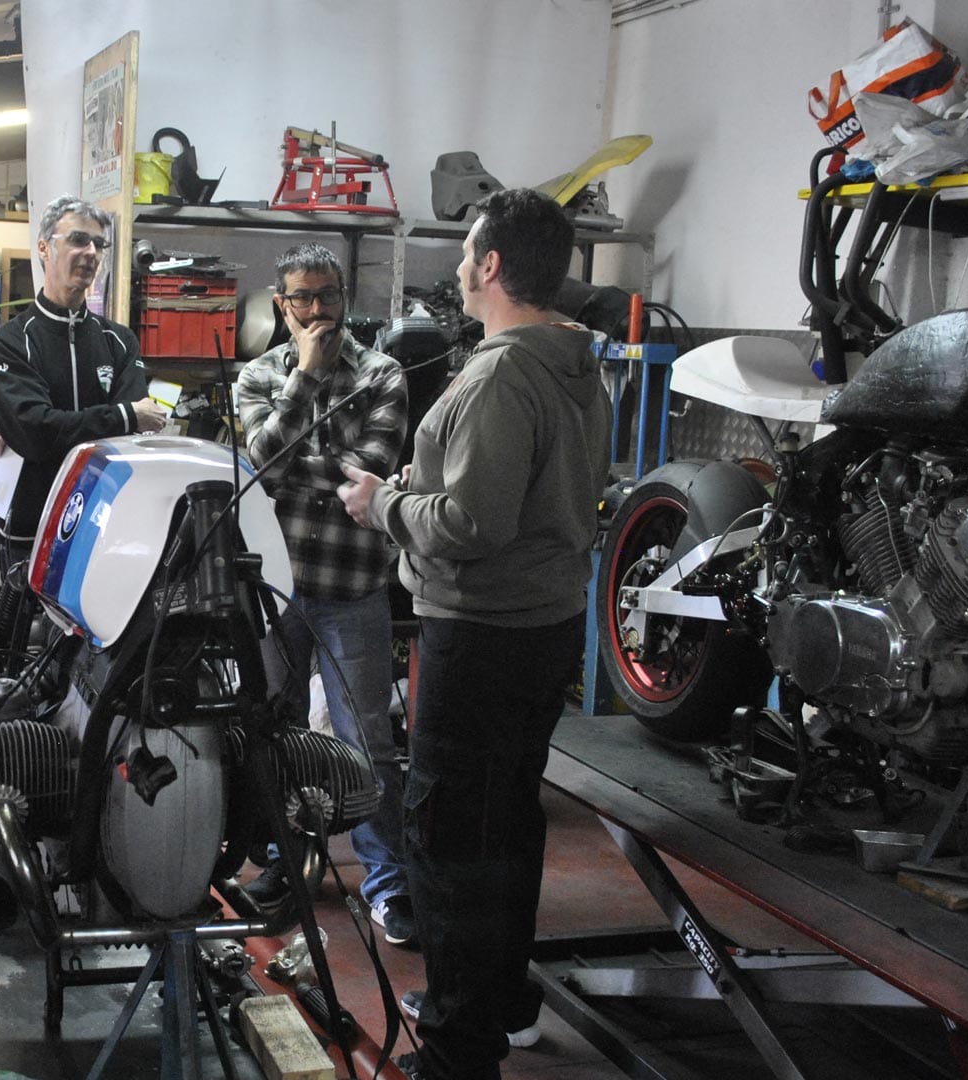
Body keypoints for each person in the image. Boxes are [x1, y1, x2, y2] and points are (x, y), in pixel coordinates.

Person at [337, 188, 612, 1080]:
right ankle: (493, 1004)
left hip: (483, 633)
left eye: (465, 253)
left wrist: (383, 503)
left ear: (491, 266)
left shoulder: (502, 373)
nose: (458, 267)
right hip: (543, 625)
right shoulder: (575, 363)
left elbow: (470, 523)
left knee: (451, 836)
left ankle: (458, 1050)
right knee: (505, 826)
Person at [233, 242, 413, 945]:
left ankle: (387, 880)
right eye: (302, 299)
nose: (317, 312)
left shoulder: (383, 373)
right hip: (273, 588)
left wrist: (293, 460)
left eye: (328, 296)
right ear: (281, 306)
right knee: (271, 735)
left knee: (368, 741)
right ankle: (284, 861)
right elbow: (257, 462)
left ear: (345, 296)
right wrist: (305, 379)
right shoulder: (259, 374)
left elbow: (368, 476)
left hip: (351, 586)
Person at [0, 194, 169, 580]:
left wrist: (115, 420)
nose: (91, 253)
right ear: (44, 247)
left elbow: (132, 436)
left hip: (106, 525)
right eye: (79, 240)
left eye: (99, 245)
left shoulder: (119, 341)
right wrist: (121, 416)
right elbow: (36, 433)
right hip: (32, 527)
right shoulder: (10, 342)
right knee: (28, 640)